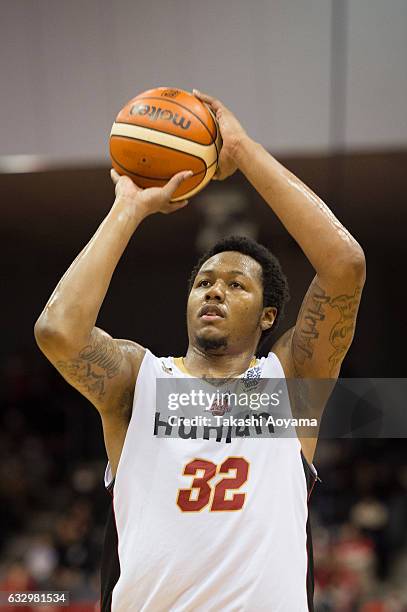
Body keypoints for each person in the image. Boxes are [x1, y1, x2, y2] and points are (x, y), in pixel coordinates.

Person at [34, 89, 366, 611]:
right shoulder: (138, 381)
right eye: (204, 281)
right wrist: (129, 207)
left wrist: (242, 149)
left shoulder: (292, 382)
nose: (214, 289)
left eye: (237, 285)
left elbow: (344, 265)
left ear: (268, 316)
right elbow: (58, 331)